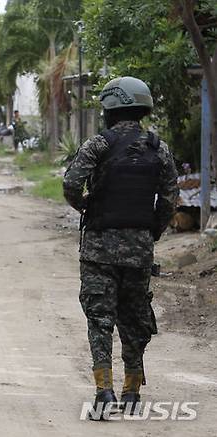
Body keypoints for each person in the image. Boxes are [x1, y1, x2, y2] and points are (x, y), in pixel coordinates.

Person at [62, 76, 178, 419]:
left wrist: (86, 206)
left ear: (110, 108)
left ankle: (103, 390)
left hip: (98, 249)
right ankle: (132, 391)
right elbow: (170, 199)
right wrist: (150, 231)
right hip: (140, 251)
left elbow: (71, 184)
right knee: (135, 320)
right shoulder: (159, 148)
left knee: (100, 320)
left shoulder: (98, 144)